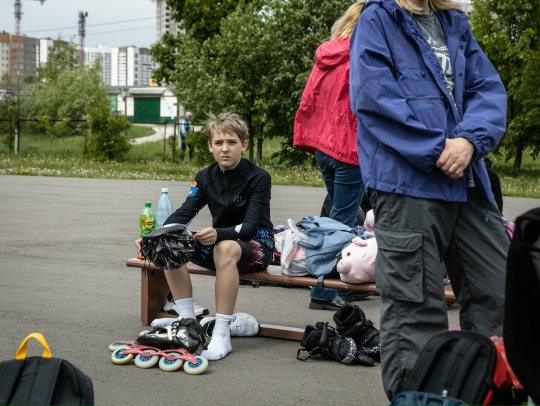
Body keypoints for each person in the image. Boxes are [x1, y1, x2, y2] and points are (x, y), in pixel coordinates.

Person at [350, 0, 510, 400]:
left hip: (468, 184)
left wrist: (470, 141)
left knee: (499, 294)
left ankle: (486, 392)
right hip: (409, 184)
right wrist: (436, 149)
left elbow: (487, 89)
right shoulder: (378, 18)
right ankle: (418, 399)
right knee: (415, 308)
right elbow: (374, 97)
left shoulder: (454, 22)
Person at [135, 112, 274, 360]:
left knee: (224, 247)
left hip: (256, 246)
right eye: (219, 143)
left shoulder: (259, 177)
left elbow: (251, 226)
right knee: (169, 242)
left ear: (244, 145)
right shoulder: (204, 177)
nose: (225, 149)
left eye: (231, 142)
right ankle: (188, 322)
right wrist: (153, 237)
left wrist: (219, 234)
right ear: (210, 146)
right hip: (220, 245)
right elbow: (184, 213)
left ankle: (221, 332)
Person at [294, 2, 370, 311]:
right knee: (342, 221)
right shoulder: (362, 57)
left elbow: (309, 100)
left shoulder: (327, 55)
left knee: (338, 218)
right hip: (349, 149)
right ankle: (323, 292)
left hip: (324, 147)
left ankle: (341, 281)